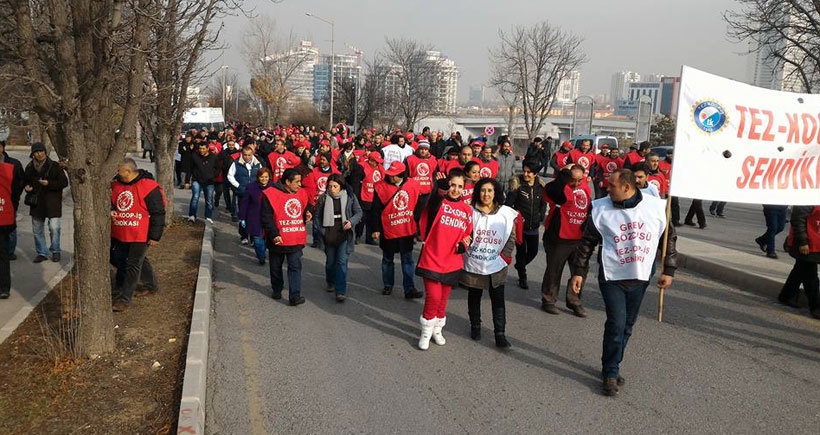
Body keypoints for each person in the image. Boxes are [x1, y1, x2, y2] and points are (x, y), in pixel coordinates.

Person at [569, 168, 677, 397]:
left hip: (640, 274)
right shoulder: (601, 208)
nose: (607, 189)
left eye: (612, 186)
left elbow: (669, 238)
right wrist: (578, 271)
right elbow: (587, 241)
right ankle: (610, 372)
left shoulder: (656, 207)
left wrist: (669, 269)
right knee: (616, 324)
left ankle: (613, 362)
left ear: (627, 187)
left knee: (627, 325)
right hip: (612, 275)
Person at [415, 169, 474, 350]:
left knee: (443, 300)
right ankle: (425, 333)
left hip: (452, 262)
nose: (455, 189)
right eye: (452, 185)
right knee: (433, 296)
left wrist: (464, 245)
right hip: (432, 258)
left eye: (459, 187)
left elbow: (468, 234)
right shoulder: (439, 202)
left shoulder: (466, 210)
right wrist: (439, 190)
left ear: (464, 189)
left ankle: (437, 330)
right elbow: (431, 205)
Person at [461, 177, 518, 347]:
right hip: (475, 262)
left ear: (496, 193)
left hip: (496, 264)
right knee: (474, 296)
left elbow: (511, 236)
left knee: (498, 299)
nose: (486, 194)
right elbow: (463, 234)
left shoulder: (506, 213)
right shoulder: (469, 212)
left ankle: (500, 333)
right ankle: (475, 326)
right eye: (483, 190)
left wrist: (504, 256)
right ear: (478, 192)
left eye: (490, 190)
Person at [109, 158, 166, 312]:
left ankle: (124, 298)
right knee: (127, 259)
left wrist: (155, 235)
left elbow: (158, 212)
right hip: (121, 231)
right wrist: (111, 210)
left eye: (119, 170)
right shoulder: (116, 185)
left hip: (140, 234)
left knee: (133, 264)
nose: (116, 173)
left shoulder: (148, 187)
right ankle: (150, 284)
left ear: (128, 171)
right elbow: (112, 203)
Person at [541, 164, 592, 317]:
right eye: (573, 180)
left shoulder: (586, 188)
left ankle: (574, 301)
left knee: (580, 271)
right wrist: (563, 175)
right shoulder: (558, 189)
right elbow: (551, 188)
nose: (576, 183)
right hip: (559, 237)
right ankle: (549, 300)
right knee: (554, 270)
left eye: (579, 180)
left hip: (579, 238)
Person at [369, 161, 423, 298]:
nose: (391, 177)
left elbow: (419, 205)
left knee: (408, 260)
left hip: (406, 229)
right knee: (387, 259)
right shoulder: (380, 187)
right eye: (389, 174)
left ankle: (409, 288)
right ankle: (388, 285)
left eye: (394, 175)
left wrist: (417, 224)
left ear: (401, 174)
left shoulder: (413, 185)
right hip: (388, 229)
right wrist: (375, 229)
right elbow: (375, 210)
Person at [261, 168, 312, 305]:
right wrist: (273, 234)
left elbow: (305, 207)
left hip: (295, 237)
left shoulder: (301, 193)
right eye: (296, 182)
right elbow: (266, 217)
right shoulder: (270, 194)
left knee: (295, 266)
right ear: (287, 182)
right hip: (278, 238)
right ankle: (277, 289)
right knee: (276, 266)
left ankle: (295, 295)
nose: (299, 185)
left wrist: (307, 213)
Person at [314, 174, 363, 302]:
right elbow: (317, 217)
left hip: (344, 233)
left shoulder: (350, 197)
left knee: (341, 262)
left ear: (341, 186)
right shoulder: (323, 198)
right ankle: (330, 281)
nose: (332, 189)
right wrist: (322, 231)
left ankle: (340, 291)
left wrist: (351, 222)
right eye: (330, 186)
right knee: (330, 262)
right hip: (329, 233)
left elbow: (358, 212)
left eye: (335, 187)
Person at [24, 142, 68, 263]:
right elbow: (25, 181)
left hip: (52, 202)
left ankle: (55, 250)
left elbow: (64, 183)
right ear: (33, 154)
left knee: (54, 228)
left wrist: (49, 183)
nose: (39, 154)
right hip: (37, 203)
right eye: (36, 152)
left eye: (41, 151)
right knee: (37, 229)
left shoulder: (54, 166)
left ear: (45, 151)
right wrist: (27, 187)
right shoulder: (29, 167)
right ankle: (41, 252)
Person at [505, 159, 545, 289]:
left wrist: (541, 216)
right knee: (521, 252)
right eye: (525, 171)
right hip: (520, 227)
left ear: (535, 174)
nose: (526, 174)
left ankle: (520, 265)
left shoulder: (541, 187)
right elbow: (508, 205)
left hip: (534, 226)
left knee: (533, 252)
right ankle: (523, 276)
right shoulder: (517, 185)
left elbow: (543, 203)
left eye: (529, 172)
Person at [779, 205, 820, 319]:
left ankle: (786, 295)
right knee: (810, 275)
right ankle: (816, 307)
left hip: (816, 243)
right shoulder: (809, 195)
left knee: (800, 269)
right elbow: (798, 219)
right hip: (806, 244)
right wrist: (803, 242)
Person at [0, 150, 23, 299]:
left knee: (2, 255)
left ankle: (3, 287)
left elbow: (15, 192)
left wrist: (10, 209)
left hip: (3, 218)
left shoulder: (11, 167)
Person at [229, 146, 262, 243]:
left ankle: (252, 236)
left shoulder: (257, 164)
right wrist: (238, 186)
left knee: (253, 215)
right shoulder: (236, 163)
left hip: (254, 193)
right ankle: (243, 236)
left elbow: (261, 176)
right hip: (242, 193)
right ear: (242, 154)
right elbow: (230, 176)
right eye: (245, 155)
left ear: (252, 155)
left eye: (249, 155)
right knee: (243, 214)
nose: (247, 157)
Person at [238, 168, 271, 264]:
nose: (264, 179)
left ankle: (263, 252)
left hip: (269, 217)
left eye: (266, 177)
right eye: (262, 177)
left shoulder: (273, 187)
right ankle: (261, 256)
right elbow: (245, 203)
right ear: (258, 177)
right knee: (257, 240)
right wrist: (242, 217)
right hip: (254, 217)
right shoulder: (251, 187)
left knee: (265, 239)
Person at [0, 140, 24, 261]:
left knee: (10, 226)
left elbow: (20, 182)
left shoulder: (14, 164)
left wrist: (14, 198)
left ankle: (10, 251)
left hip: (9, 202)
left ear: (3, 148)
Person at [405, 139, 437, 222]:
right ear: (418, 149)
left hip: (426, 192)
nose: (423, 151)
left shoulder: (433, 160)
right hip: (413, 191)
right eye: (421, 149)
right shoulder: (410, 159)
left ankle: (418, 231)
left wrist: (433, 189)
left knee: (421, 215)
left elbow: (434, 177)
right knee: (410, 214)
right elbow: (406, 175)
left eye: (426, 149)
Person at [187, 141, 219, 224]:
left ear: (207, 149)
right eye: (200, 148)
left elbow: (218, 168)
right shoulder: (194, 156)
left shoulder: (213, 157)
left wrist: (213, 176)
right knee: (195, 197)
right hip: (197, 180)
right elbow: (190, 168)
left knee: (209, 200)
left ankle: (208, 217)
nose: (201, 150)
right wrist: (187, 181)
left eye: (203, 149)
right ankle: (192, 215)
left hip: (209, 182)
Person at [359, 151, 384, 245]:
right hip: (364, 196)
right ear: (370, 160)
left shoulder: (380, 168)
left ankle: (369, 238)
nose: (377, 163)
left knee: (372, 219)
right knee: (361, 219)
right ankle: (357, 235)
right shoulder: (362, 167)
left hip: (375, 197)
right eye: (376, 161)